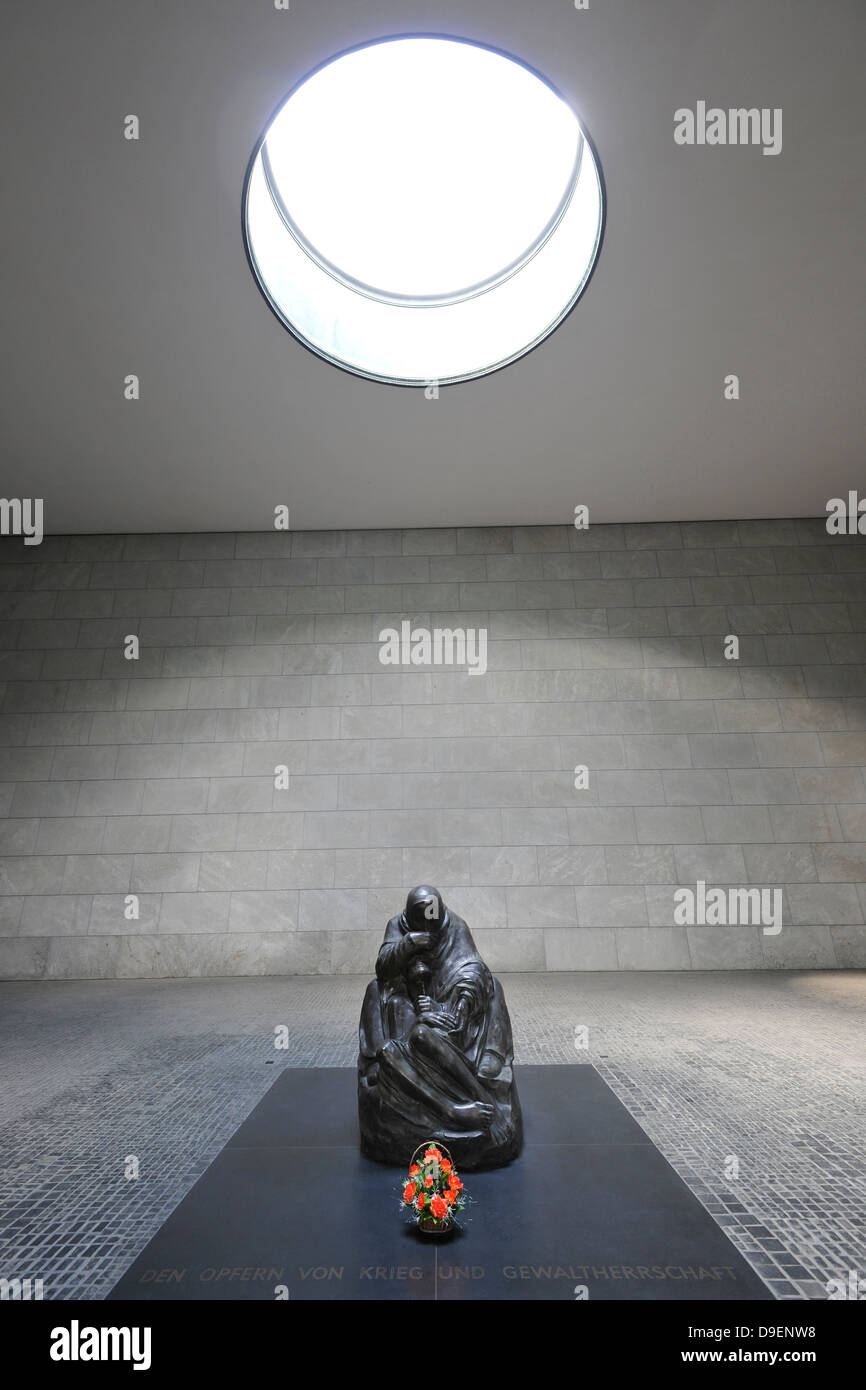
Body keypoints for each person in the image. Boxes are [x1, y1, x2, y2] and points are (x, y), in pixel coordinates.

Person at [358, 885, 522, 1168]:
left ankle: (481, 1077)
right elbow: (383, 968)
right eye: (420, 921)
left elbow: (473, 967)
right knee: (379, 994)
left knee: (492, 986)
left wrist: (457, 1006)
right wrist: (408, 944)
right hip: (410, 1004)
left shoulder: (456, 926)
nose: (430, 928)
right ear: (409, 919)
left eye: (433, 921)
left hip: (448, 1005)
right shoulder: (397, 927)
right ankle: (455, 1109)